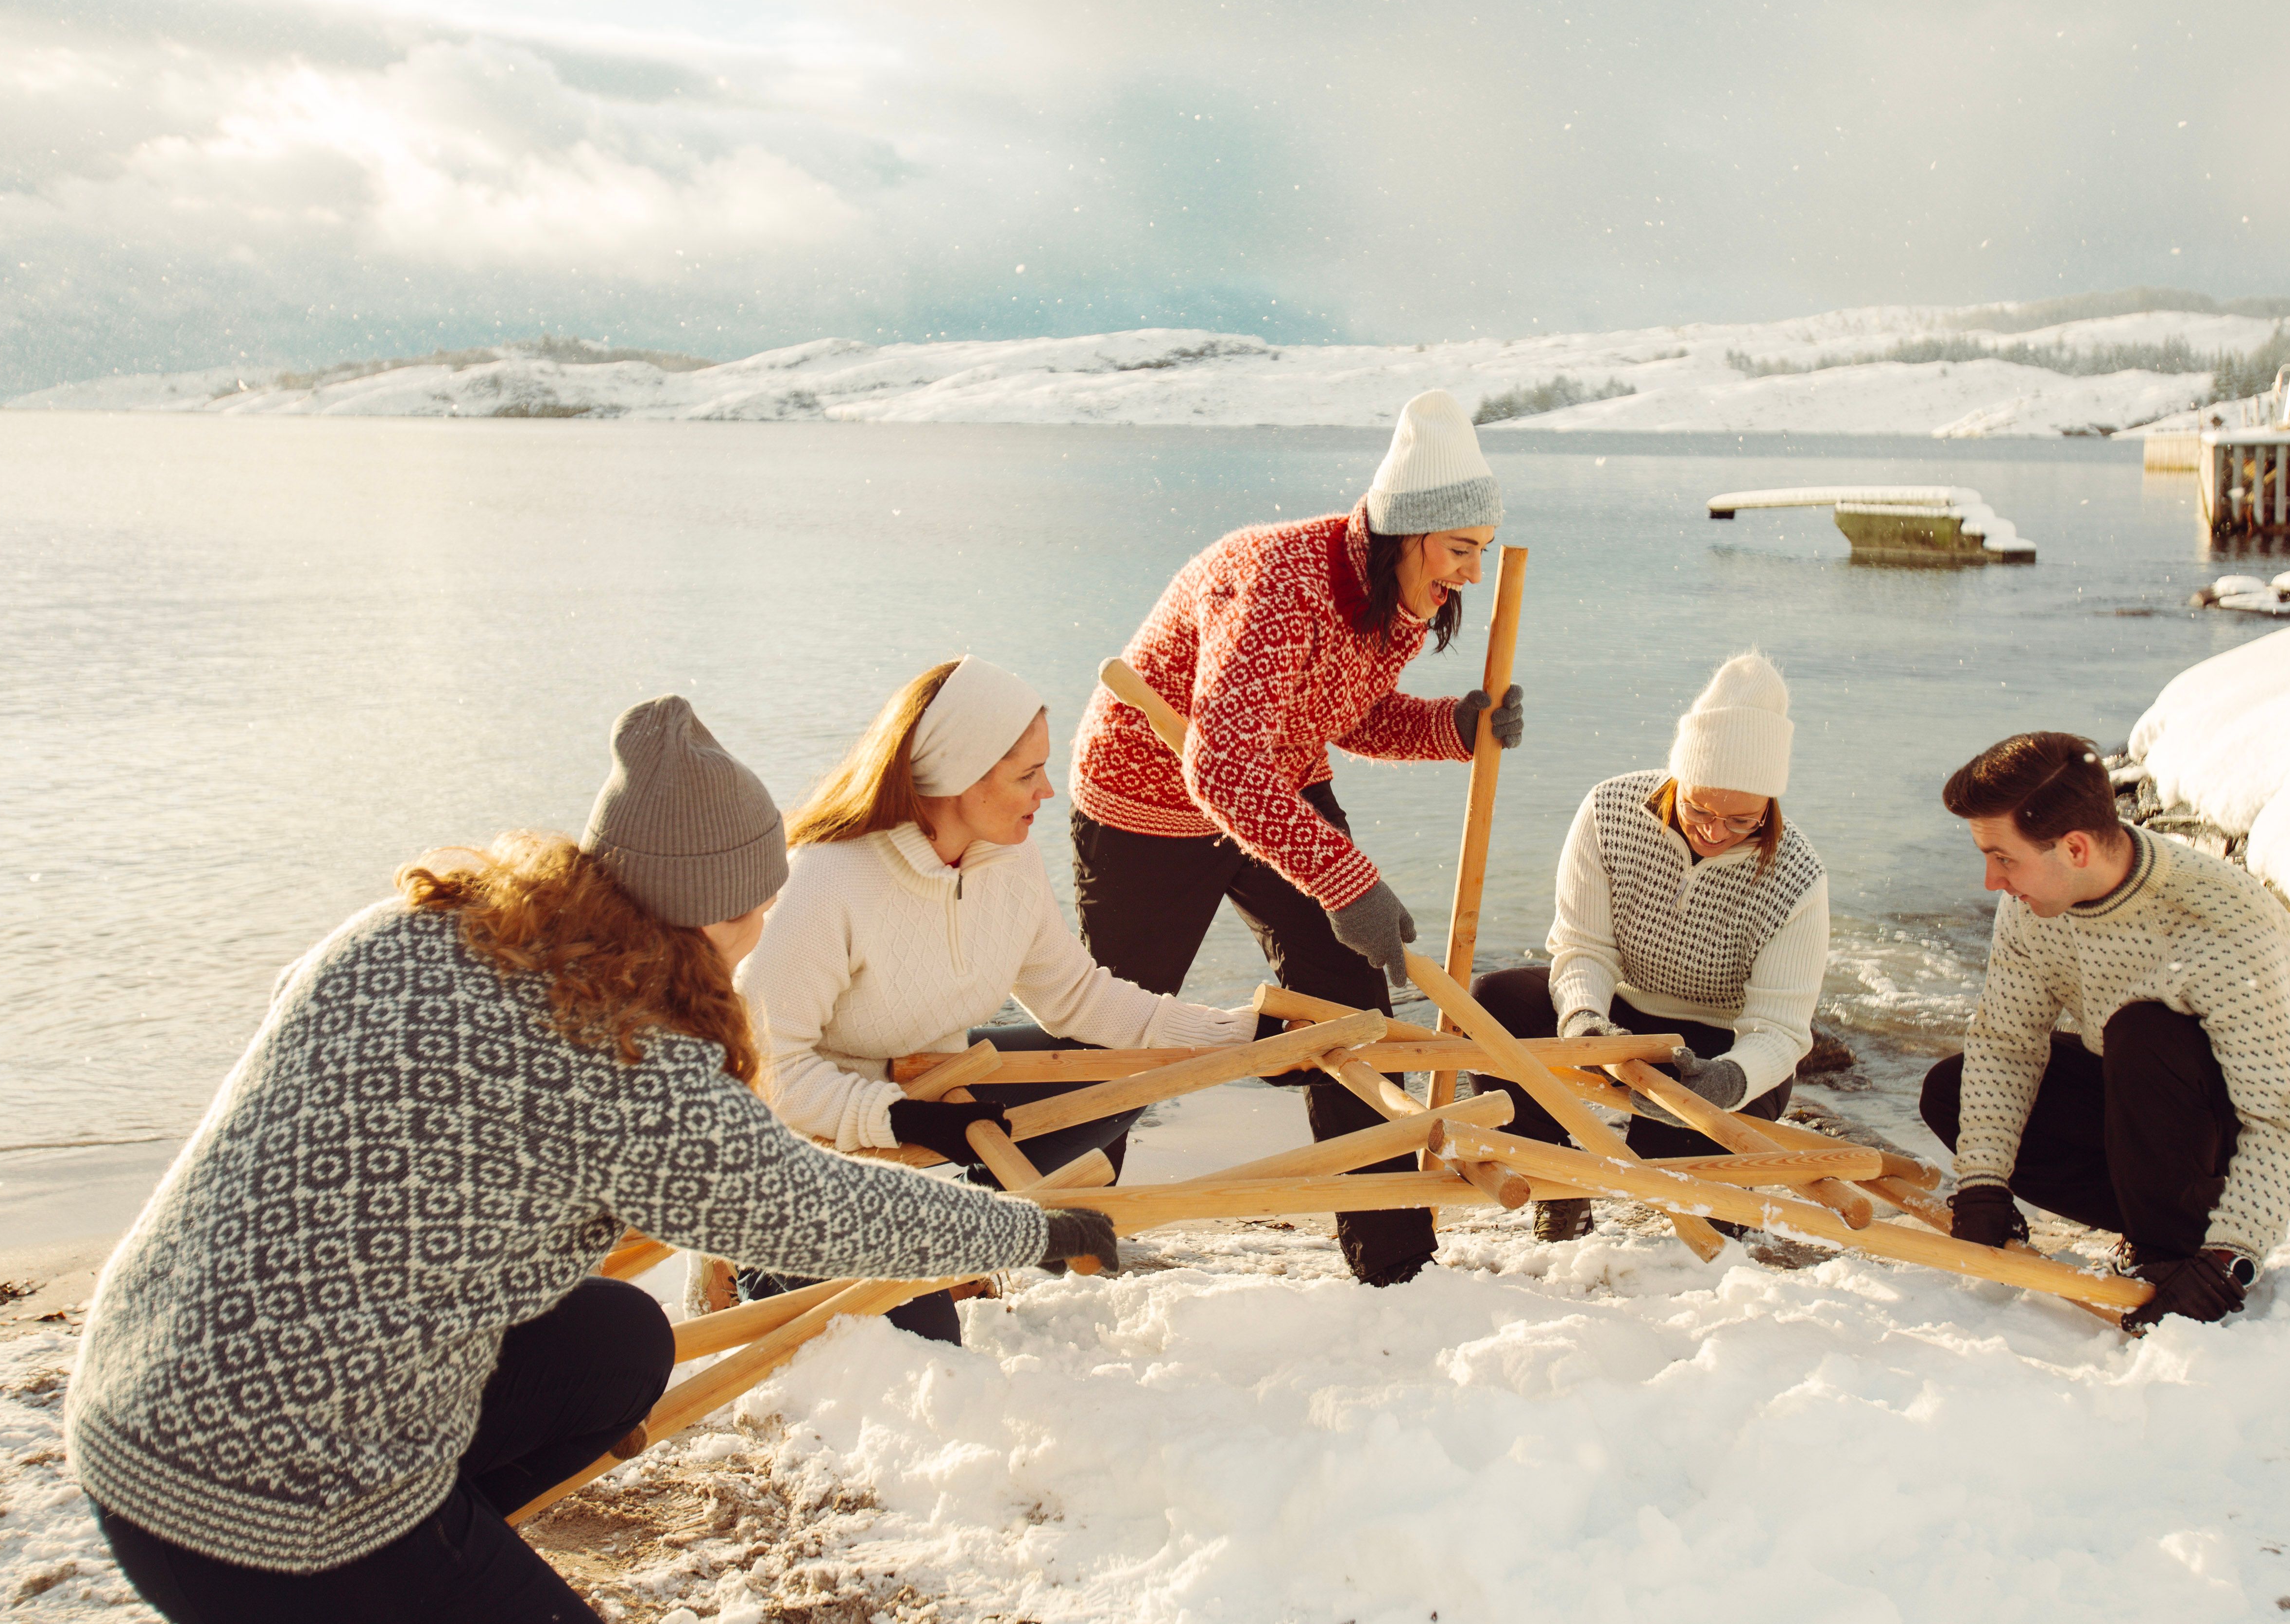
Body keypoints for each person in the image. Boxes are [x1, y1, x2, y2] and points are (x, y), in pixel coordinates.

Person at [25, 697, 1112, 1624]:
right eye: (757, 903)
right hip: (279, 1499)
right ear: (704, 908)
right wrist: (1030, 1227)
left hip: (134, 1399)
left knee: (615, 1343)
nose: (767, 926)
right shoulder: (627, 1064)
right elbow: (820, 1208)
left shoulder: (411, 927)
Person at [1067, 389, 1526, 1286]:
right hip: (1150, 797)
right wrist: (1347, 880)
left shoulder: (1402, 597)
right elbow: (1221, 768)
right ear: (1409, 533)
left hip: (1275, 777)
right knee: (1115, 1036)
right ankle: (1065, 1239)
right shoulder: (1277, 582)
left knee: (1354, 1014)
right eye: (1462, 551)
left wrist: (1453, 728)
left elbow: (1345, 711)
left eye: (1482, 554)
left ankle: (1393, 1258)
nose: (1472, 575)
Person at [730, 655, 1269, 1339]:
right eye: (1025, 774)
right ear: (956, 775)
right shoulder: (828, 880)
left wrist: (1240, 1038)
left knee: (1134, 1067)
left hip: (928, 1120)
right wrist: (901, 1121)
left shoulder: (1008, 861)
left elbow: (1078, 997)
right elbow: (766, 1071)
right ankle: (760, 1267)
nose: (1048, 790)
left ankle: (962, 1222)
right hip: (811, 1167)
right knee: (923, 1345)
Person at [1915, 732, 2290, 1331]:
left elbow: (2281, 1118)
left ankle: (2175, 1252)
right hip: (2155, 1080)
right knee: (1950, 1090)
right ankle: (2162, 1217)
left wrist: (2229, 1257)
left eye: (2004, 859)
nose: (1991, 881)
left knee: (2142, 1030)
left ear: (2075, 848)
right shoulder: (2034, 905)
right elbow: (2007, 1045)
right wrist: (1984, 1185)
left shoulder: (2218, 924)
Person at [1468, 652, 1829, 1244]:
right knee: (1492, 1001)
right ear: (1678, 778)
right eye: (1699, 809)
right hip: (1623, 1017)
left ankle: (1703, 1176)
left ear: (1770, 802)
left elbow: (1782, 1032)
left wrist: (1726, 1081)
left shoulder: (1797, 875)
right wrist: (1584, 1019)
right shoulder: (1612, 811)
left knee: (1687, 1191)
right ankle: (1559, 1181)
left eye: (1739, 820)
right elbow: (1582, 947)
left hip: (1721, 1047)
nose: (1714, 832)